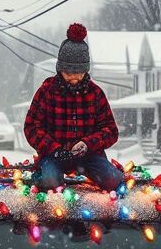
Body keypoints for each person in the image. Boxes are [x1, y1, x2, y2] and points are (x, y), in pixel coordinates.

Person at [23, 23, 125, 193]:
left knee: (112, 180)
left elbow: (110, 130)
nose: (74, 78)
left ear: (86, 70)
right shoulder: (47, 92)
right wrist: (55, 149)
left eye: (79, 73)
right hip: (53, 156)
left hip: (89, 155)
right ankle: (40, 177)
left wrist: (87, 143)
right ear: (60, 69)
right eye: (69, 73)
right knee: (50, 182)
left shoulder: (96, 93)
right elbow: (32, 127)